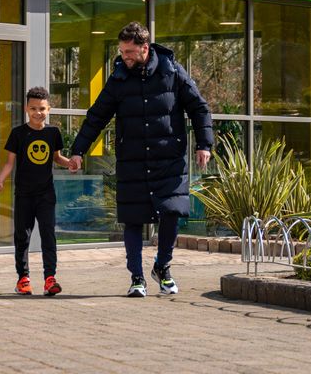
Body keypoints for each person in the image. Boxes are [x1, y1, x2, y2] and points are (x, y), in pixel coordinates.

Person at [67, 21, 213, 297]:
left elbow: (199, 108)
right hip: (132, 159)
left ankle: (163, 266)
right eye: (122, 52)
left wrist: (204, 144)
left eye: (129, 52)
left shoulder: (172, 72)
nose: (124, 57)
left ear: (145, 48)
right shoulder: (120, 78)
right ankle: (137, 278)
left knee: (171, 213)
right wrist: (78, 150)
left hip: (169, 159)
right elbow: (97, 116)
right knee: (133, 218)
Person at [0, 86, 71, 296]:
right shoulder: (18, 133)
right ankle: (23, 279)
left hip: (46, 194)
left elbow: (56, 157)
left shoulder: (53, 132)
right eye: (34, 108)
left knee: (48, 235)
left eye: (42, 108)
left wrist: (70, 163)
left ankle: (49, 279)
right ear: (27, 108)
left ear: (49, 109)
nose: (38, 112)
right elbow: (9, 163)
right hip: (24, 194)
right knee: (22, 237)